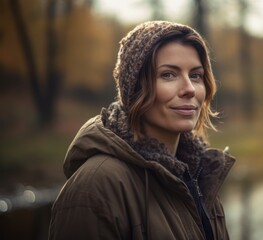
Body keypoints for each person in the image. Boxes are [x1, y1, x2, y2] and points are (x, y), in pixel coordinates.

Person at [49, 21, 235, 240]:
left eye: (195, 75)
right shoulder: (96, 186)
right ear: (135, 88)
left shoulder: (199, 175)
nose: (189, 89)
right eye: (168, 75)